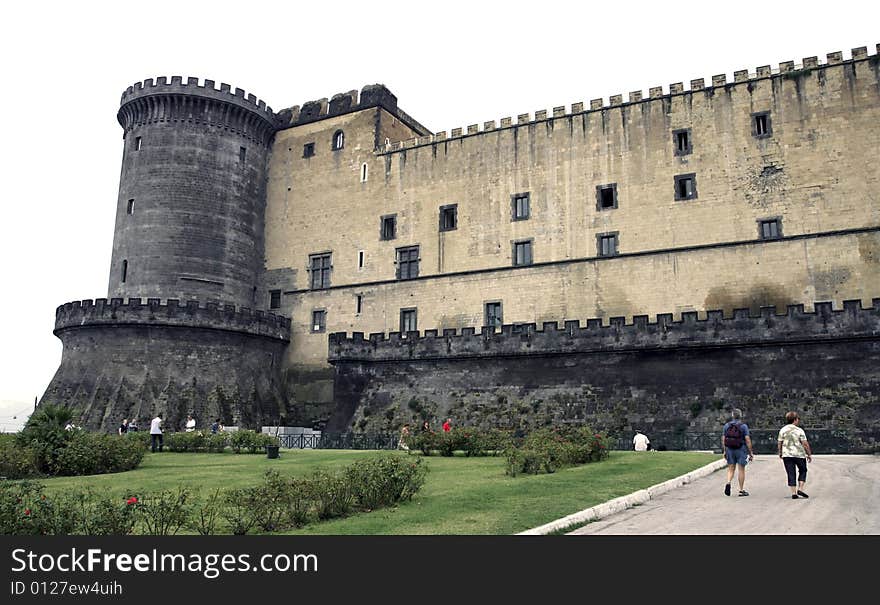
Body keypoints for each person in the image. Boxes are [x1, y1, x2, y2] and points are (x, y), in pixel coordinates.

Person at [777, 411, 813, 499]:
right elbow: (805, 443)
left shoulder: (783, 430)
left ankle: (793, 492)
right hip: (799, 454)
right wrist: (809, 454)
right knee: (803, 470)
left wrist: (780, 452)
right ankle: (800, 488)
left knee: (790, 472)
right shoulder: (799, 430)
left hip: (787, 455)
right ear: (795, 420)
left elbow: (780, 442)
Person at [722, 408, 754, 496]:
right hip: (741, 449)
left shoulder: (726, 426)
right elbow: (747, 439)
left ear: (732, 415)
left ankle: (728, 482)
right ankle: (741, 490)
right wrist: (750, 452)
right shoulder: (743, 426)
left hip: (730, 449)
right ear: (741, 416)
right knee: (741, 469)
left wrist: (725, 450)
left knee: (731, 469)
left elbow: (724, 439)